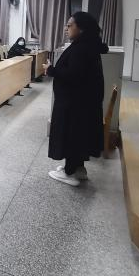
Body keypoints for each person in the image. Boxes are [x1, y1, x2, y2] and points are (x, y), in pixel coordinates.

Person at [44, 12, 109, 187]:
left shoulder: (81, 48)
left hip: (75, 104)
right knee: (79, 135)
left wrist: (51, 70)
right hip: (82, 102)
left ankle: (69, 172)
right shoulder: (87, 45)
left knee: (72, 135)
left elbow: (73, 76)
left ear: (81, 28)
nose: (66, 28)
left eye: (69, 25)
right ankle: (78, 169)